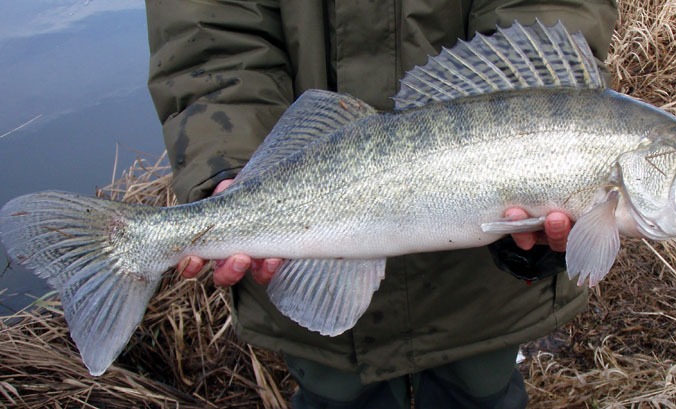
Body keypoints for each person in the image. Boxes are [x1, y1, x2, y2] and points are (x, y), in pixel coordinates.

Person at [145, 1, 617, 407]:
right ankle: (136, 244)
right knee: (336, 395)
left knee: (480, 390)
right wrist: (230, 165)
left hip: (480, 297)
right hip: (325, 289)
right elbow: (208, 40)